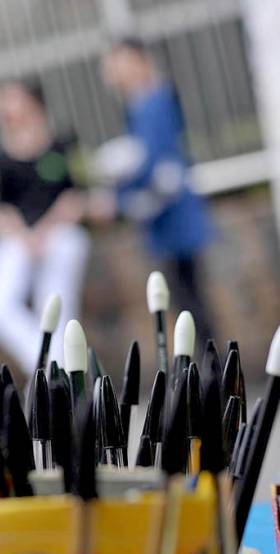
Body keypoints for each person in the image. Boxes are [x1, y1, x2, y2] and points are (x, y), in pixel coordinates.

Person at [100, 37, 216, 340]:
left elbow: (162, 166)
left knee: (190, 302)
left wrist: (126, 196)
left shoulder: (155, 102)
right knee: (184, 301)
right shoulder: (141, 105)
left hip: (175, 218)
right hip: (165, 220)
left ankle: (211, 373)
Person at [0, 80, 90, 370]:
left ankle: (61, 380)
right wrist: (25, 237)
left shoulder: (61, 144)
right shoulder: (0, 154)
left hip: (60, 233)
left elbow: (76, 195)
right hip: (19, 238)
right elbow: (2, 208)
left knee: (56, 309)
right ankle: (48, 366)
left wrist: (46, 230)